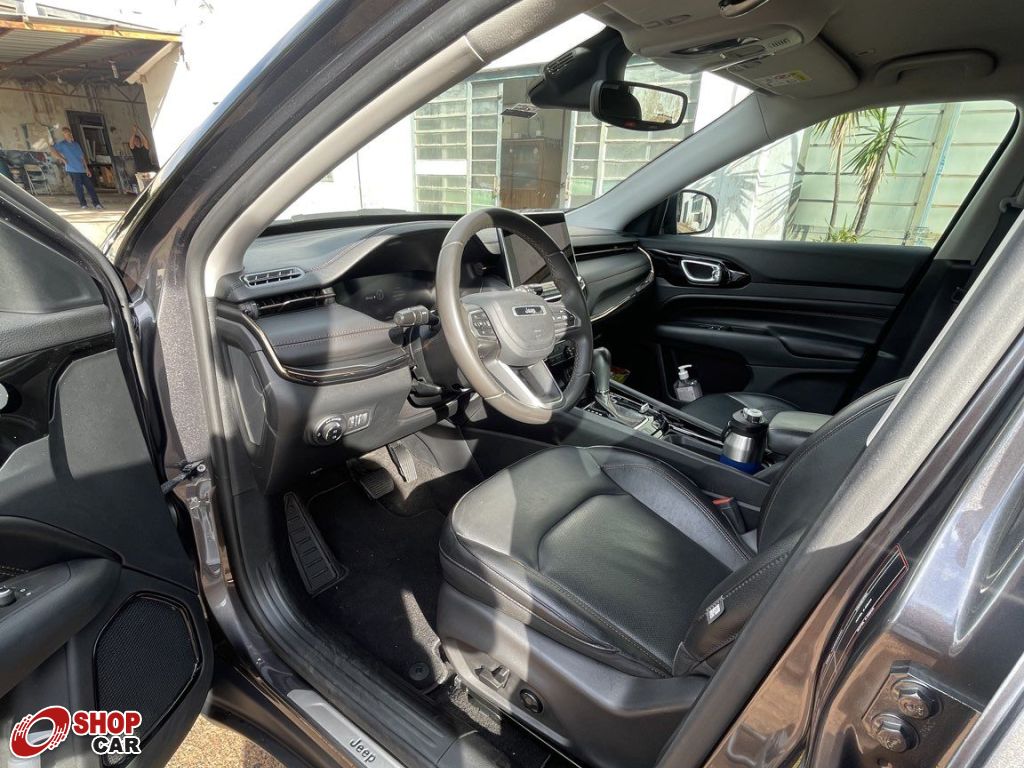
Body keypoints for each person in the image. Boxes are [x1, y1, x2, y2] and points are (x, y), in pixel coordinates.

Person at [51, 126, 102, 209]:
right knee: (79, 189)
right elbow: (52, 150)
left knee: (90, 187)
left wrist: (87, 169)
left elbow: (82, 157)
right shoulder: (62, 144)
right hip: (72, 169)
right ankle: (83, 204)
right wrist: (62, 159)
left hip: (82, 169)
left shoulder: (76, 144)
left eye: (68, 133)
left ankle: (97, 204)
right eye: (65, 133)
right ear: (63, 135)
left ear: (70, 133)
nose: (68, 134)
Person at [129, 124, 158, 192]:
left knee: (152, 187)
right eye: (134, 141)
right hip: (140, 172)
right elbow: (130, 143)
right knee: (142, 190)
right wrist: (134, 132)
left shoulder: (145, 148)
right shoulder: (134, 150)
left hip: (149, 170)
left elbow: (146, 141)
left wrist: (139, 130)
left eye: (137, 140)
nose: (135, 141)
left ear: (140, 140)